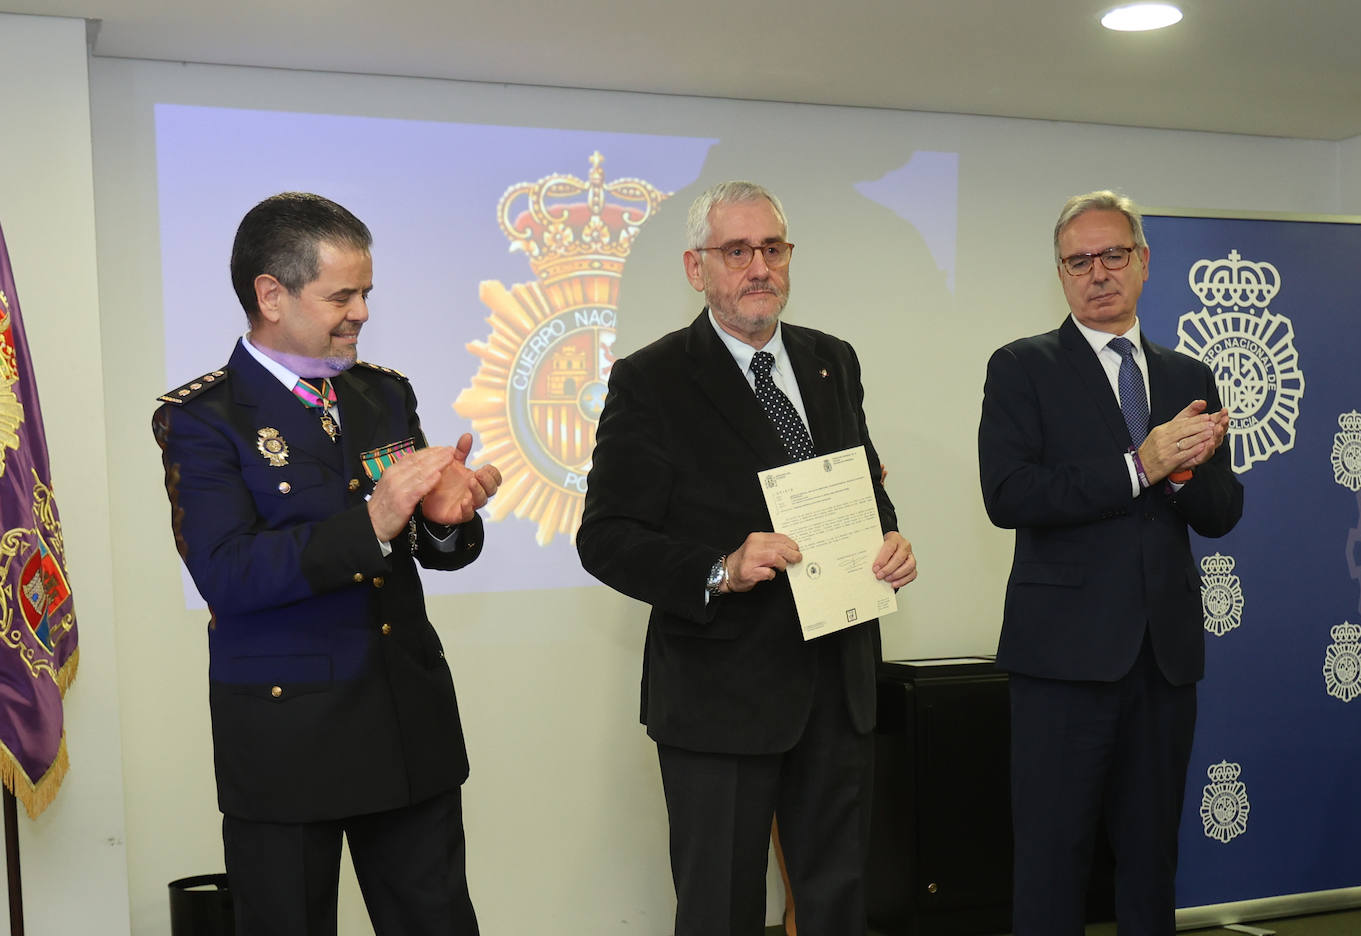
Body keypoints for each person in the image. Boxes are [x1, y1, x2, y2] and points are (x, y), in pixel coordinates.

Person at [152, 192, 501, 936]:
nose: (362, 312)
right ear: (270, 295)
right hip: (288, 744)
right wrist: (372, 522)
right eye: (341, 294)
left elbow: (424, 551)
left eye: (366, 292)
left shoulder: (382, 393)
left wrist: (445, 522)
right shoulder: (203, 419)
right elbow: (228, 573)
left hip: (408, 727)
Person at [576, 180, 917, 936]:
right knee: (721, 912)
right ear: (698, 269)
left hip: (839, 683)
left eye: (772, 248)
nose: (758, 267)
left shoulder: (834, 361)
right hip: (719, 697)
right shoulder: (652, 379)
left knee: (837, 904)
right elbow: (604, 537)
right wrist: (719, 567)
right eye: (737, 251)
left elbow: (859, 484)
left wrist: (889, 539)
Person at [977, 191, 1244, 935]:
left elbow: (1221, 512)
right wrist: (1140, 464)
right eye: (1078, 261)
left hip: (1164, 661)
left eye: (1113, 256)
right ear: (1060, 274)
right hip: (1062, 663)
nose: (1097, 274)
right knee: (1052, 859)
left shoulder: (1190, 375)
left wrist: (1186, 474)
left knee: (1152, 857)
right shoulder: (1022, 367)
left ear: (1144, 262)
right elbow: (1009, 493)